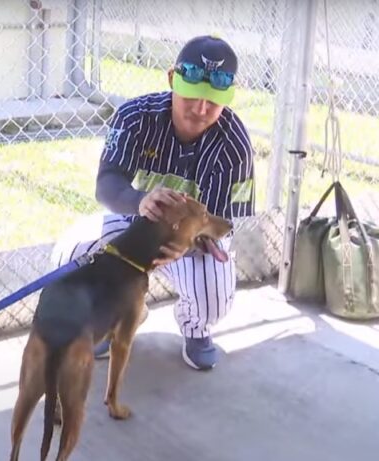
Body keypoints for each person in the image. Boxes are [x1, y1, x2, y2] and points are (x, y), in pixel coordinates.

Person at [51, 35, 255, 370]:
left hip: (193, 241)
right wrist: (140, 199)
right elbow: (106, 184)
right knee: (70, 255)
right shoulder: (135, 116)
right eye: (192, 96)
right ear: (172, 79)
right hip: (137, 224)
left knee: (214, 296)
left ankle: (196, 327)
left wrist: (184, 244)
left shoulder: (233, 142)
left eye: (213, 101)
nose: (201, 109)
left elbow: (224, 222)